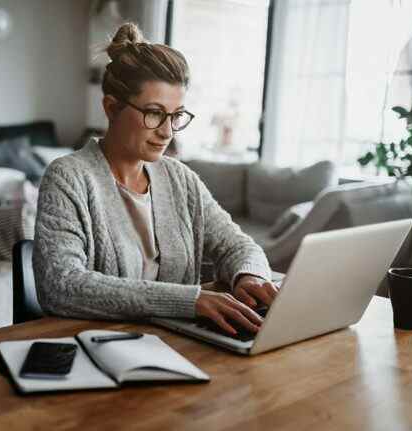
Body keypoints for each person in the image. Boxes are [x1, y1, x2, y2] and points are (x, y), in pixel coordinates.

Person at [33, 23, 278, 335]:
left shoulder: (180, 178)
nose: (167, 131)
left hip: (180, 343)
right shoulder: (68, 178)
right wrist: (191, 301)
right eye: (154, 113)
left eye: (176, 115)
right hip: (101, 348)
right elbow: (62, 285)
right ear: (111, 107)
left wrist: (249, 276)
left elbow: (238, 245)